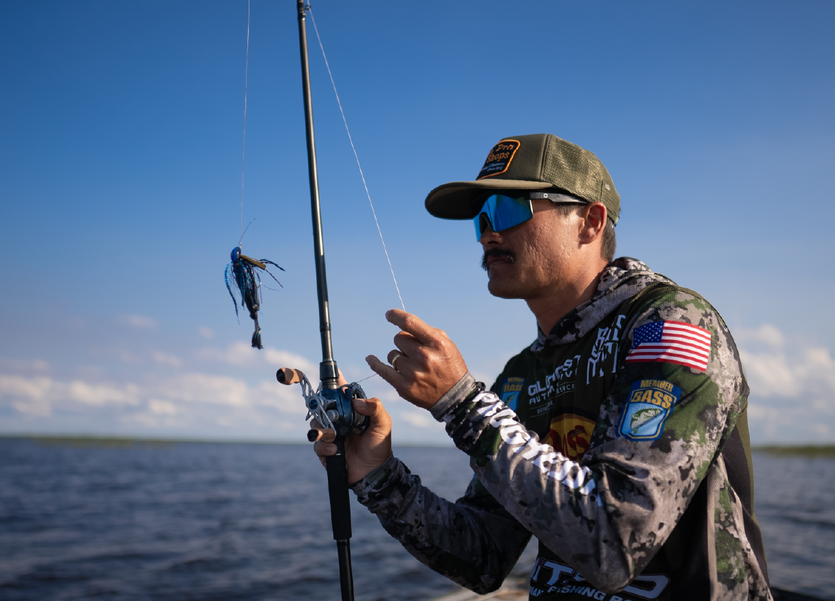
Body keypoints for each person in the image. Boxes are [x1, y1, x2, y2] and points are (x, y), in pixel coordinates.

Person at [313, 133, 772, 601]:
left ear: (590, 222)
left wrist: (462, 404)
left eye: (510, 207)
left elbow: (617, 542)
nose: (490, 231)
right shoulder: (521, 375)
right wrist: (377, 474)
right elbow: (483, 556)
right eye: (482, 216)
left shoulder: (669, 324)